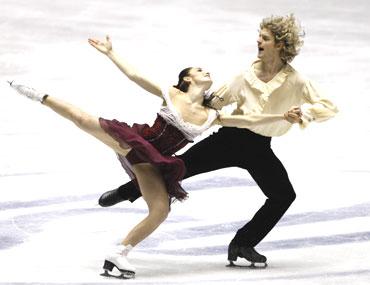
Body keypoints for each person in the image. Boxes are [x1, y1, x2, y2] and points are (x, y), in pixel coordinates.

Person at [7, 35, 297, 277]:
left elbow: (248, 121)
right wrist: (111, 53)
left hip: (153, 161)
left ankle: (117, 254)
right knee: (83, 120)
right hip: (135, 141)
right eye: (199, 69)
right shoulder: (171, 93)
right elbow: (135, 76)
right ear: (186, 78)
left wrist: (282, 115)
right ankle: (38, 95)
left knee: (160, 211)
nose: (206, 72)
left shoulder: (212, 115)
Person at [98, 14, 339, 266]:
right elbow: (214, 103)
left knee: (283, 195)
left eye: (265, 38)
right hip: (229, 139)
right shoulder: (244, 76)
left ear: (280, 44)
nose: (258, 40)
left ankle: (243, 243)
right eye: (260, 35)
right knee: (177, 167)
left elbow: (328, 107)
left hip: (260, 148)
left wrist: (304, 113)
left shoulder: (296, 81)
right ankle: (127, 191)